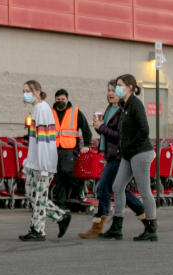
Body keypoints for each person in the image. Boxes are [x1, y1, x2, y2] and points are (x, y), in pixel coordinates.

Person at [79, 79, 146, 238]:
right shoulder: (110, 109)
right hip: (110, 155)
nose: (110, 93)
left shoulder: (123, 111)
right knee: (120, 190)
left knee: (103, 188)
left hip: (119, 155)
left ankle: (98, 226)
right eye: (108, 90)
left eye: (113, 90)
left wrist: (102, 128)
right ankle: (146, 219)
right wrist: (99, 128)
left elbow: (121, 136)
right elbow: (108, 133)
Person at [100, 74, 158, 242]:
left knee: (144, 190)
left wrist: (129, 145)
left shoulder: (135, 104)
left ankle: (151, 227)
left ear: (130, 87)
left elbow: (144, 130)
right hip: (128, 153)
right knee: (117, 186)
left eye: (119, 85)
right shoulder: (124, 106)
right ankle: (117, 227)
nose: (117, 88)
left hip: (140, 153)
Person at [19, 79, 72, 241]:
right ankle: (60, 216)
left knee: (39, 196)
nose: (24, 94)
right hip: (36, 162)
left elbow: (43, 141)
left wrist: (42, 165)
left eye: (27, 90)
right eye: (23, 91)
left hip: (43, 163)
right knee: (32, 193)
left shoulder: (41, 109)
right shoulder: (38, 109)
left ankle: (38, 230)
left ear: (36, 91)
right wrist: (29, 162)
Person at [51, 89, 92, 209]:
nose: (60, 101)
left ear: (67, 100)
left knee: (66, 171)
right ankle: (61, 203)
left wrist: (86, 145)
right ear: (55, 100)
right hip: (54, 149)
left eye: (62, 99)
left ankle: (79, 187)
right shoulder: (50, 112)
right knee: (58, 177)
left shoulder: (75, 112)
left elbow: (86, 130)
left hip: (70, 149)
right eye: (58, 99)